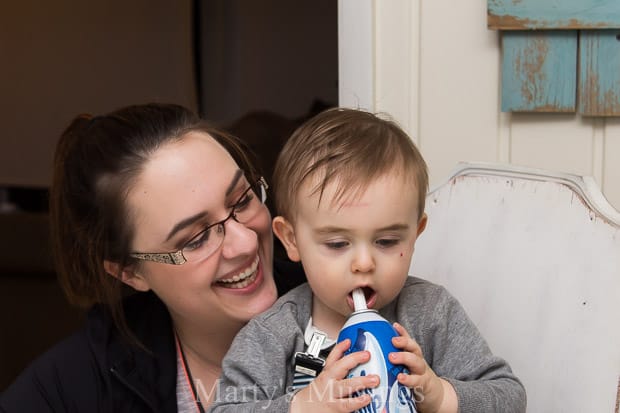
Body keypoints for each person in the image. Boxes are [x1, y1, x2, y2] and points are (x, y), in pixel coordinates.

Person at [210, 108, 527, 412]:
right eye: (337, 244)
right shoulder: (273, 336)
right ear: (292, 240)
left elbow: (509, 397)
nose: (364, 263)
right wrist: (300, 406)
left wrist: (439, 395)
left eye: (387, 241)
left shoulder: (432, 315)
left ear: (415, 234)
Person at [0, 103, 306, 412]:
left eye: (241, 201)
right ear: (129, 272)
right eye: (196, 239)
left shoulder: (347, 303)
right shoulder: (72, 387)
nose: (246, 243)